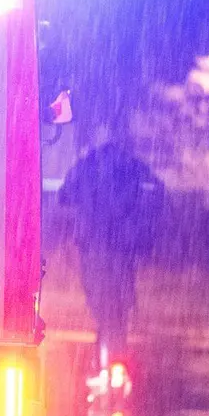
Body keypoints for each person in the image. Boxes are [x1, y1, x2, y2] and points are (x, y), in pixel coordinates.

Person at [59, 131, 165, 382]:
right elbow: (157, 191)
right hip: (121, 248)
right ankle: (115, 365)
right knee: (118, 310)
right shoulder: (131, 165)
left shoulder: (88, 164)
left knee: (104, 309)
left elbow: (64, 195)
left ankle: (107, 365)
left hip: (96, 248)